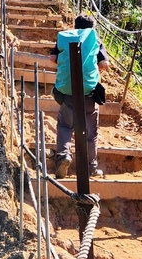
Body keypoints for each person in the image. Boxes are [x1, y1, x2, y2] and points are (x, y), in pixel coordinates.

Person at [52, 15, 110, 179]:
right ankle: (90, 167)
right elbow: (104, 64)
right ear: (92, 28)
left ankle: (63, 156)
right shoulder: (95, 41)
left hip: (68, 91)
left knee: (64, 125)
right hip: (89, 92)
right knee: (90, 132)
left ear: (75, 26)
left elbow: (52, 58)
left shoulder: (65, 37)